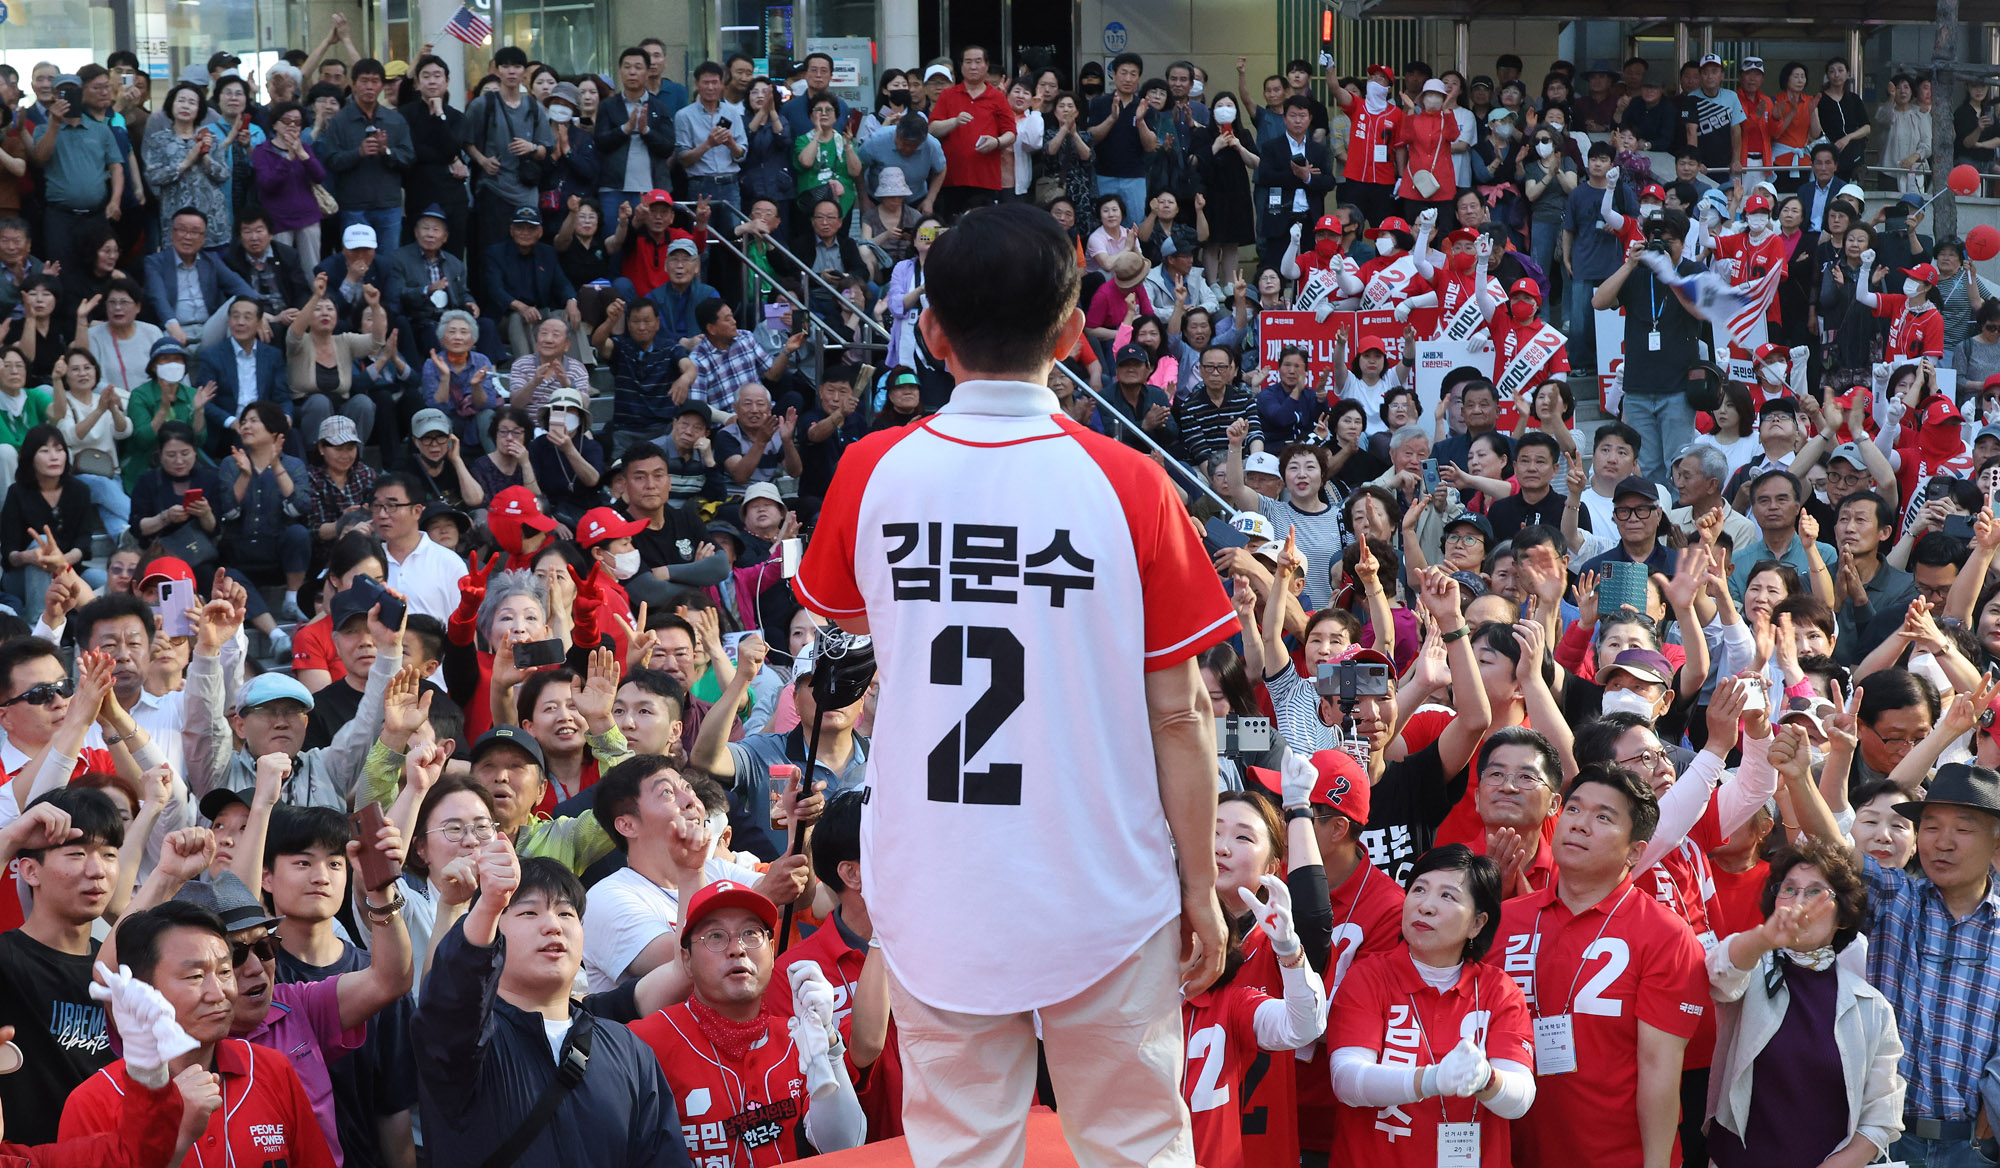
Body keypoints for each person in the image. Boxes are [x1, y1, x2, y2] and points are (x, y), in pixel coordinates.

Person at [793, 205, 1234, 1166]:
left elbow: (844, 630)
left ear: (930, 331)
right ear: (1074, 332)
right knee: (1136, 1148)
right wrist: (1201, 885)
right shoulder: (1130, 482)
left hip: (935, 877)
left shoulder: (871, 470)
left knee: (959, 1150)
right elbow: (1182, 712)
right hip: (1103, 883)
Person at [412, 844, 693, 1168]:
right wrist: (489, 905)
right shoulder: (463, 1040)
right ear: (492, 931)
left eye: (566, 913)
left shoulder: (628, 1049)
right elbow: (449, 999)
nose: (553, 926)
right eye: (529, 913)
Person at [1484, 762, 1707, 1168]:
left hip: (1616, 1158)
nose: (1580, 824)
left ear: (1635, 852)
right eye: (1573, 809)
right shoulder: (1505, 921)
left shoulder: (1665, 936)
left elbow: (1660, 1071)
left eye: (1603, 817)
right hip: (1507, 1154)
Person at [59, 901, 336, 1168]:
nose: (218, 993)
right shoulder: (94, 1103)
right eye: (195, 976)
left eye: (225, 971)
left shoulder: (272, 1070)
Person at [629, 877, 869, 1163]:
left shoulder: (796, 1037)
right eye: (715, 936)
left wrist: (827, 1043)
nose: (737, 948)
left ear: (772, 949)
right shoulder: (643, 1043)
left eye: (751, 933)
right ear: (687, 959)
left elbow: (844, 1146)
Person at [1704, 828, 1905, 1168]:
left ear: (1843, 916)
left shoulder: (1871, 1007)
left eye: (1815, 892)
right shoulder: (1752, 967)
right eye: (1789, 890)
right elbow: (1720, 973)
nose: (1799, 903)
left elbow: (1881, 1117)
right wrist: (1764, 938)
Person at [1330, 843, 1537, 1168]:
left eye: (1447, 896)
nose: (1425, 906)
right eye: (1419, 889)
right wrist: (1431, 1080)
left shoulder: (1500, 991)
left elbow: (1519, 1100)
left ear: (1477, 923)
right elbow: (1347, 1081)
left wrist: (1485, 1079)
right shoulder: (1368, 977)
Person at [464, 48, 555, 285]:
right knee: (491, 254)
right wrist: (483, 160)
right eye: (505, 66)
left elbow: (546, 151)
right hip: (493, 189)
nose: (511, 72)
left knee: (525, 254)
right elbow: (466, 141)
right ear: (497, 70)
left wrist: (531, 147)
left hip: (526, 193)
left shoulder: (534, 107)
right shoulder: (482, 104)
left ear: (524, 72)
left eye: (516, 66)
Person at [320, 59, 414, 254]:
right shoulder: (340, 121)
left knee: (387, 262)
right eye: (364, 81)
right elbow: (331, 161)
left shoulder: (395, 120)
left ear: (382, 86)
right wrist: (358, 153)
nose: (369, 86)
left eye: (375, 81)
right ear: (353, 84)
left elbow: (408, 157)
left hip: (389, 205)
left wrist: (386, 151)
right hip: (353, 206)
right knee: (357, 262)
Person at [287, 274, 386, 447]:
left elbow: (377, 341)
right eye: (318, 309)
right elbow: (295, 332)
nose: (325, 313)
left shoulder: (344, 341)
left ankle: (355, 455)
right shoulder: (300, 342)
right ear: (308, 316)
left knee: (363, 402)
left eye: (330, 309)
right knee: (320, 402)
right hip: (307, 408)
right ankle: (316, 456)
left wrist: (375, 306)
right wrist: (316, 296)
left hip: (340, 407)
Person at [141, 209, 258, 353]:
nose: (188, 236)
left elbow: (241, 288)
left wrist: (259, 314)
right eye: (182, 230)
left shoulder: (211, 260)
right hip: (173, 329)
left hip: (209, 329)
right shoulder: (155, 262)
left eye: (195, 232)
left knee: (239, 302)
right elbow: (158, 297)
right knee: (168, 347)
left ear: (203, 238)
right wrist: (173, 326)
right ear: (172, 233)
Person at [141, 83, 229, 250]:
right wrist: (185, 163)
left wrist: (205, 158)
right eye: (181, 100)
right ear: (171, 104)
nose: (186, 106)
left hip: (211, 222)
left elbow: (224, 175)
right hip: (176, 219)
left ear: (199, 109)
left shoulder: (211, 138)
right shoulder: (159, 140)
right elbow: (153, 176)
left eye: (192, 102)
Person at [596, 48, 678, 228]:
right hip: (613, 188)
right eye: (627, 67)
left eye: (638, 67)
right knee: (613, 238)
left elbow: (667, 147)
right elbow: (600, 142)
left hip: (651, 189)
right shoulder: (607, 106)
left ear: (648, 72)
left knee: (647, 240)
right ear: (620, 71)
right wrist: (625, 128)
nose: (632, 72)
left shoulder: (659, 107)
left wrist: (645, 131)